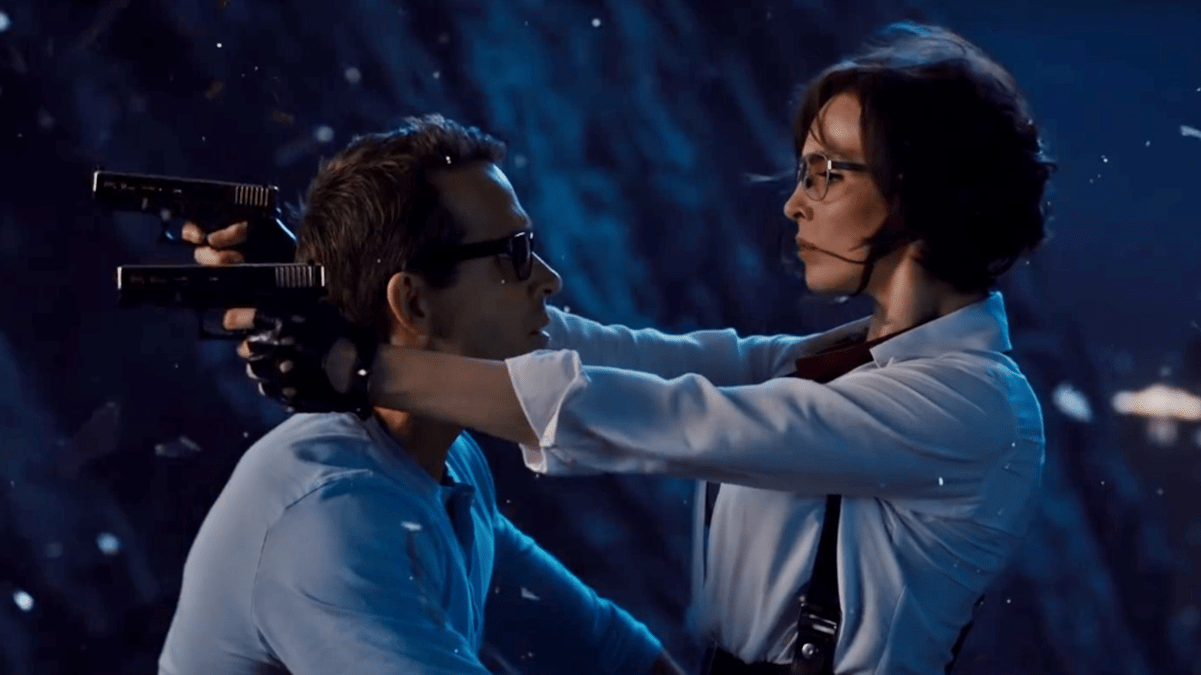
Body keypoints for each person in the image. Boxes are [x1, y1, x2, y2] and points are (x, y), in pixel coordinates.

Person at [216, 23, 1054, 675]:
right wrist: (332, 282)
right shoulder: (848, 359)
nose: (795, 203)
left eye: (826, 173)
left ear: (922, 190)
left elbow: (672, 417)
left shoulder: (969, 404)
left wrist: (365, 364)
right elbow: (629, 359)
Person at [159, 114, 686, 675]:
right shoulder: (332, 517)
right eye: (514, 252)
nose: (549, 278)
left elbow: (602, 649)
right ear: (413, 303)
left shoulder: (446, 460)